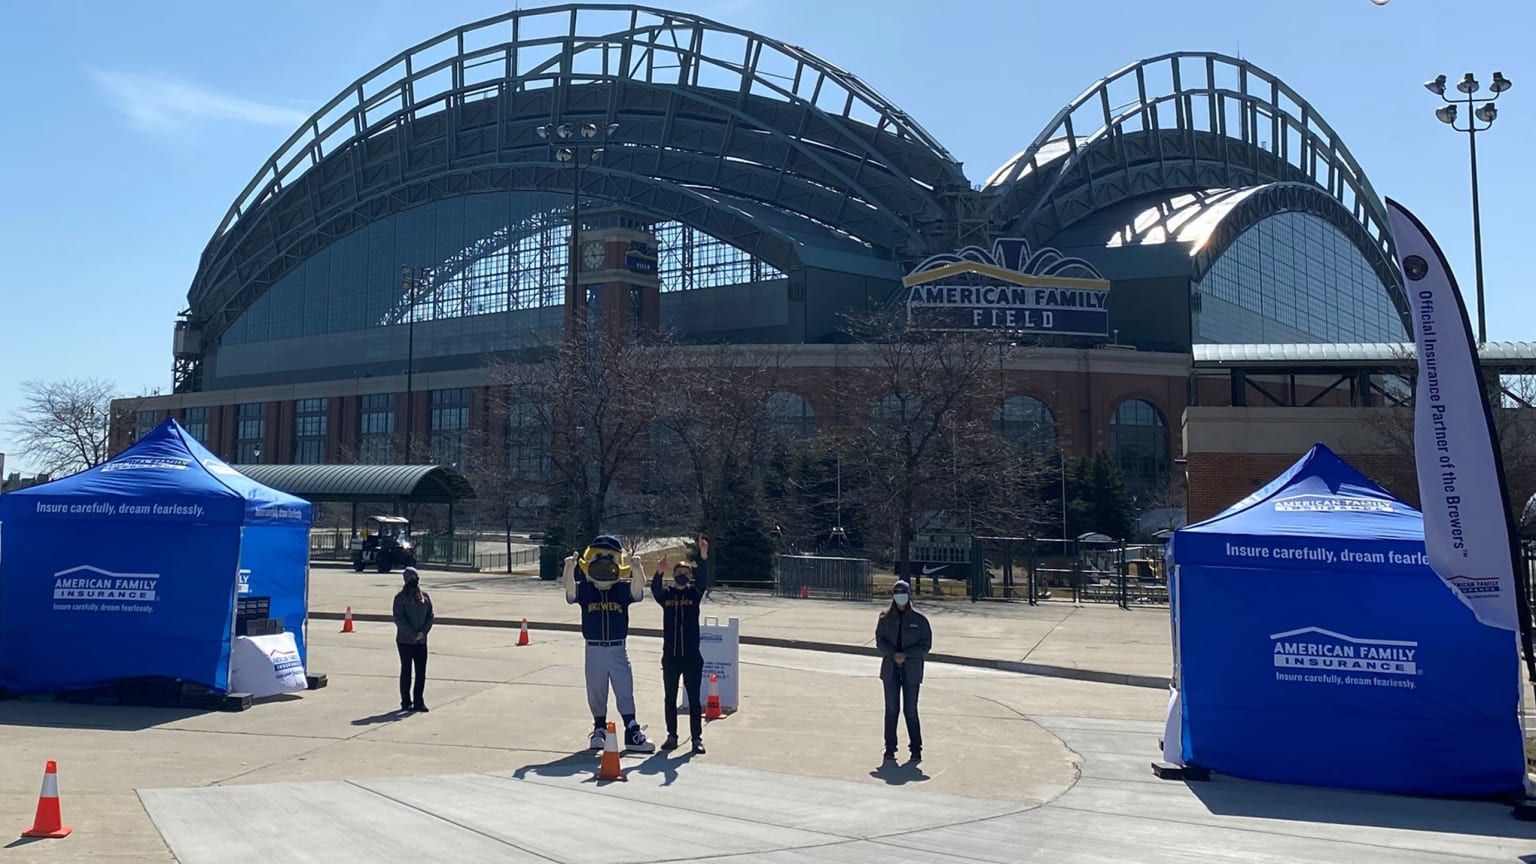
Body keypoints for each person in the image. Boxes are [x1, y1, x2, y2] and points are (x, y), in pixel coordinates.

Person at [564, 534, 655, 754]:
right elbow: (570, 591)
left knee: (624, 688)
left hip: (617, 647)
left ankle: (632, 730)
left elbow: (638, 589)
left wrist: (637, 569)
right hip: (593, 647)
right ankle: (599, 729)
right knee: (596, 690)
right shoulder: (586, 590)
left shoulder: (621, 590)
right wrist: (569, 569)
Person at [651, 535, 711, 754]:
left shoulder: (694, 593)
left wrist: (703, 556)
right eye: (679, 572)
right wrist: (659, 572)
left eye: (686, 573)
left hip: (692, 656)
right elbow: (655, 591)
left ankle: (696, 738)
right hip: (671, 656)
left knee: (694, 699)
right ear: (674, 575)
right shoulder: (667, 595)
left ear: (690, 576)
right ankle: (672, 736)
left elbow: (703, 580)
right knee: (670, 698)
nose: (682, 576)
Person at [875, 579, 931, 761]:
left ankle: (916, 749)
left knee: (910, 710)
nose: (900, 596)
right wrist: (893, 654)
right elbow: (880, 641)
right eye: (897, 593)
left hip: (911, 671)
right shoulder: (885, 619)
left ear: (909, 595)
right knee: (891, 710)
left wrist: (906, 655)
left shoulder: (920, 621)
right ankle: (890, 748)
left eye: (903, 593)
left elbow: (925, 645)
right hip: (890, 670)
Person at [392, 566, 434, 712]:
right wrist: (412, 634)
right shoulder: (399, 598)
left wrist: (423, 632)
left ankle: (418, 701)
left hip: (421, 641)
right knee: (406, 671)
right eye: (410, 578)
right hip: (405, 641)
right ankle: (405, 701)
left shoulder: (425, 597)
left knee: (421, 672)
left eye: (415, 577)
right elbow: (399, 619)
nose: (414, 580)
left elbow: (430, 616)